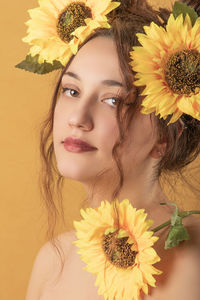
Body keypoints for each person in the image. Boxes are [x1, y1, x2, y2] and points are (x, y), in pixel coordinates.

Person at [16, 0, 200, 299]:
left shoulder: (191, 260)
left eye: (113, 100)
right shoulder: (54, 261)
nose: (77, 118)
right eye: (71, 91)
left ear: (165, 138)